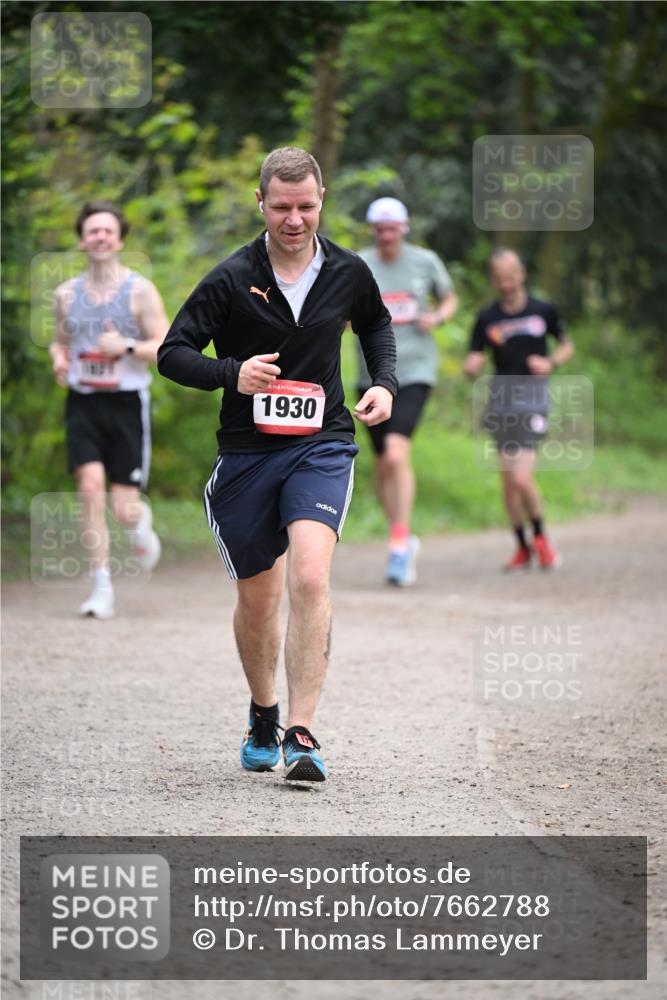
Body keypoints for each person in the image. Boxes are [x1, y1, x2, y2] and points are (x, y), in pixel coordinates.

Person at [158, 147, 396, 782]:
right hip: (247, 454)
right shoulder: (231, 277)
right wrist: (231, 374)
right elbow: (172, 353)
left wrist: (385, 383)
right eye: (282, 207)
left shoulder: (347, 271)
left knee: (311, 579)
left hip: (322, 444)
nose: (295, 220)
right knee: (259, 601)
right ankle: (263, 712)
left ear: (322, 202)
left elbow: (376, 326)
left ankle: (302, 731)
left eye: (307, 207)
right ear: (260, 203)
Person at [49, 201, 169, 619]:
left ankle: (139, 524)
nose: (100, 237)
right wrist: (59, 359)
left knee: (123, 506)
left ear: (119, 240)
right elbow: (60, 341)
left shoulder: (140, 291)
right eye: (93, 231)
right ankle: (101, 587)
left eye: (107, 231)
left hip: (126, 404)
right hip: (83, 401)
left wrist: (127, 347)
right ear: (83, 240)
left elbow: (166, 347)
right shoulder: (65, 294)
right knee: (88, 486)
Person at [356, 197, 458, 586]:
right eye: (380, 229)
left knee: (397, 453)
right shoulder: (359, 264)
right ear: (372, 230)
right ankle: (400, 533)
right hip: (370, 375)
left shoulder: (424, 261)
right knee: (383, 462)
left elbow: (449, 297)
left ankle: (399, 543)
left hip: (415, 370)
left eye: (392, 228)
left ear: (405, 227)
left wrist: (439, 316)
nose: (386, 235)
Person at [464, 248, 574, 570]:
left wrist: (550, 362)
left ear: (522, 274)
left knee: (522, 478)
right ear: (493, 280)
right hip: (501, 402)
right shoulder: (487, 318)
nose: (505, 284)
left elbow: (567, 345)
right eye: (499, 279)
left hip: (534, 399)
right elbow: (473, 357)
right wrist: (472, 365)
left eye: (510, 277)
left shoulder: (543, 310)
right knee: (509, 482)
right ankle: (522, 547)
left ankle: (541, 539)